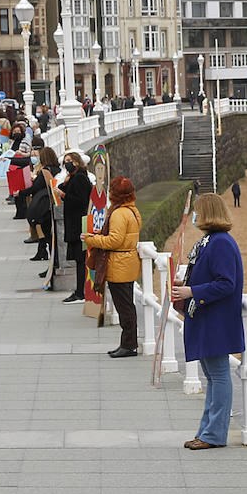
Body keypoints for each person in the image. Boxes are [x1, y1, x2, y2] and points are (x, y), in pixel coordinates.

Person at [169, 193, 245, 450]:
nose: (195, 216)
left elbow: (226, 283)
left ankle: (213, 434)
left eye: (198, 212)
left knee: (218, 376)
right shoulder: (212, 240)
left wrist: (192, 291)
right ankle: (208, 431)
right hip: (209, 318)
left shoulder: (219, 242)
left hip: (215, 319)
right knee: (213, 376)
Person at [82, 177, 143, 358]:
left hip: (119, 263)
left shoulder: (118, 213)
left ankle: (129, 345)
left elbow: (114, 241)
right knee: (127, 305)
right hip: (127, 261)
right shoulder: (132, 211)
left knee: (124, 307)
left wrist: (91, 239)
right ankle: (127, 343)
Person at [58, 151, 93, 304]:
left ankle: (80, 292)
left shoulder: (80, 178)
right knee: (79, 259)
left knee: (80, 259)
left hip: (78, 224)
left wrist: (64, 195)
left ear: (77, 162)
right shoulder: (75, 177)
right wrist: (64, 185)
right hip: (75, 223)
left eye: (70, 160)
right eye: (65, 161)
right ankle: (80, 290)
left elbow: (80, 200)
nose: (67, 163)